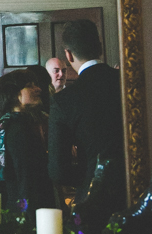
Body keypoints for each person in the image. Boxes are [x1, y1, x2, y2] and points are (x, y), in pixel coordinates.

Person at [48, 19, 124, 205]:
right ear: (99, 47)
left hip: (93, 198)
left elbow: (58, 171)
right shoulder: (127, 82)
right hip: (140, 187)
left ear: (68, 55)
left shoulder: (64, 100)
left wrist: (89, 173)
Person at [0, 70, 55, 214]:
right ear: (14, 94)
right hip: (25, 208)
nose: (38, 89)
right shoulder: (19, 129)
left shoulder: (5, 125)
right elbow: (26, 176)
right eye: (29, 86)